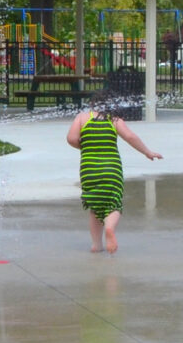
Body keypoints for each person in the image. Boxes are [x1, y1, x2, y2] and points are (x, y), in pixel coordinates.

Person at [65, 101, 162, 253]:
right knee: (113, 203)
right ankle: (109, 228)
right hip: (111, 170)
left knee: (95, 206)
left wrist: (84, 145)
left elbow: (71, 138)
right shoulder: (114, 120)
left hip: (89, 170)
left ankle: (96, 245)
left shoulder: (82, 118)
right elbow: (130, 137)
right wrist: (147, 152)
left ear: (93, 104)